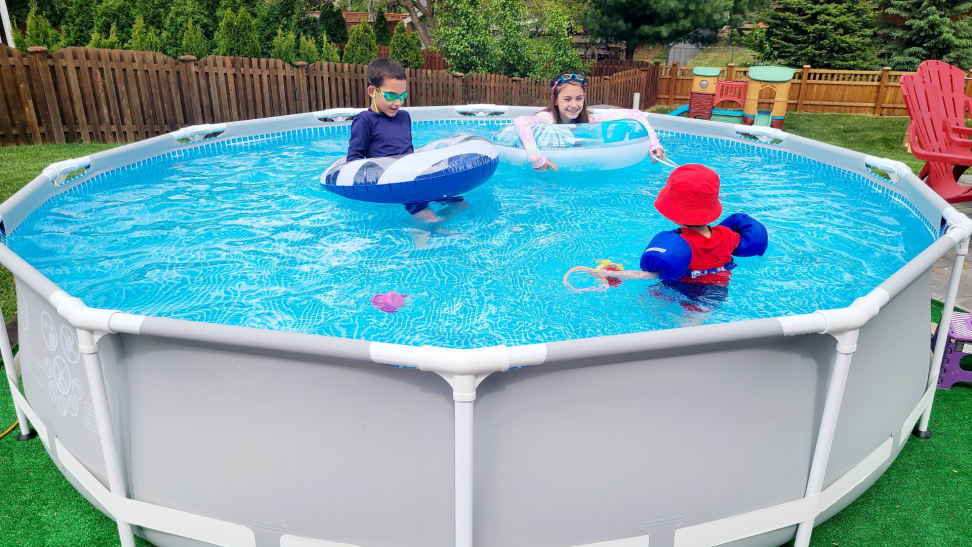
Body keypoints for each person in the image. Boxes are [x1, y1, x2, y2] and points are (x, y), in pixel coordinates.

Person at [592, 164, 767, 303]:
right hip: (718, 291)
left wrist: (613, 274)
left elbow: (648, 275)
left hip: (682, 288)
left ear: (674, 214)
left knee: (646, 303)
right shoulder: (728, 236)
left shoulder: (680, 245)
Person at [346, 58, 465, 223]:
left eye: (402, 96)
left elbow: (408, 150)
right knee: (428, 217)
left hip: (414, 176)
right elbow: (354, 160)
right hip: (396, 184)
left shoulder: (404, 116)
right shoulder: (365, 120)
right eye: (390, 96)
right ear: (372, 91)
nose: (398, 102)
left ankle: (434, 227)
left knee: (460, 204)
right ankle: (420, 233)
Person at [512, 72, 667, 171]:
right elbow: (521, 122)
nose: (574, 105)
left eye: (579, 98)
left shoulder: (590, 121)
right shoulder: (548, 118)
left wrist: (654, 144)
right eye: (567, 99)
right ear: (556, 100)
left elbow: (635, 114)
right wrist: (537, 160)